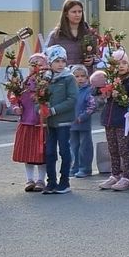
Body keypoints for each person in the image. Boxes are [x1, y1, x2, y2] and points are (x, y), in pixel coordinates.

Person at [97, 49, 129, 192]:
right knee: (112, 149)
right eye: (117, 64)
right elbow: (99, 95)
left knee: (124, 149)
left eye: (124, 63)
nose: (121, 66)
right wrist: (106, 94)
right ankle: (115, 174)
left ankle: (127, 177)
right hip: (109, 119)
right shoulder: (110, 79)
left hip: (122, 120)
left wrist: (121, 97)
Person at [40, 46, 77, 195]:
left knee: (64, 150)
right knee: (49, 152)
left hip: (63, 121)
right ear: (50, 62)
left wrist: (54, 110)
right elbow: (38, 96)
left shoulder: (69, 78)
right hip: (49, 122)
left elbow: (72, 99)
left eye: (63, 61)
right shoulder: (45, 79)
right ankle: (51, 182)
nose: (60, 64)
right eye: (56, 61)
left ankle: (64, 181)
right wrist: (40, 107)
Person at [11, 53, 49, 192]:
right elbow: (15, 97)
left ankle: (41, 179)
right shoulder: (23, 83)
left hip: (41, 124)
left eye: (40, 65)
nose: (36, 68)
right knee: (28, 153)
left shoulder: (47, 84)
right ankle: (29, 179)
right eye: (33, 65)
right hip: (26, 122)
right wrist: (16, 107)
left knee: (41, 154)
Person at [45, 0, 96, 69]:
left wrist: (92, 60)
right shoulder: (56, 35)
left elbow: (97, 55)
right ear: (66, 14)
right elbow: (46, 55)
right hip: (63, 76)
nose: (77, 15)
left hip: (83, 76)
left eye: (80, 11)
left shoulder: (89, 34)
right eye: (74, 12)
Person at [69, 65, 96, 178]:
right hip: (71, 123)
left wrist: (83, 116)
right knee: (73, 146)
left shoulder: (88, 90)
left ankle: (85, 168)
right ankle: (74, 167)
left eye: (82, 76)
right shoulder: (71, 90)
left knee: (84, 147)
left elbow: (92, 105)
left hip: (83, 123)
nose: (80, 78)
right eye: (77, 76)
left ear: (86, 77)